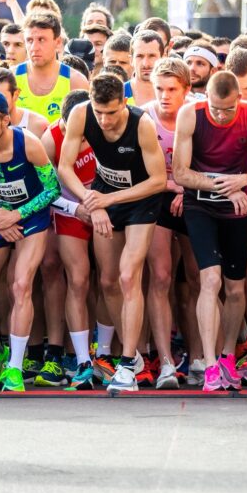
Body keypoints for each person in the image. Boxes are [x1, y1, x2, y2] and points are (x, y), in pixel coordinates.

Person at [58, 74, 167, 392]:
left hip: (140, 199)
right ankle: (134, 359)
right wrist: (93, 203)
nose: (104, 120)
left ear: (124, 103)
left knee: (128, 275)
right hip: (104, 194)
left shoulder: (142, 124)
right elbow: (65, 167)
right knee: (107, 280)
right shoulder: (81, 113)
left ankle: (127, 363)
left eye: (112, 113)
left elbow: (158, 180)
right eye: (99, 112)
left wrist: (108, 200)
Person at [172, 72, 247, 391]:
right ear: (206, 99)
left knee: (236, 287)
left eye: (227, 109)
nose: (220, 114)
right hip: (201, 204)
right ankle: (210, 362)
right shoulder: (191, 113)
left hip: (237, 208)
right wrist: (225, 187)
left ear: (239, 100)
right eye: (215, 107)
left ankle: (228, 355)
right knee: (209, 279)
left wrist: (242, 182)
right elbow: (180, 172)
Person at [0, 91, 60, 392]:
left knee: (21, 286)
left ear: (6, 120)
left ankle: (15, 366)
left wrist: (15, 215)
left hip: (29, 216)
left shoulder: (27, 143)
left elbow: (52, 189)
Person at [141, 57, 198, 389]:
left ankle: (201, 357)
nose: (164, 96)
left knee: (197, 279)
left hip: (193, 197)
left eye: (172, 90)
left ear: (186, 90)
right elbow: (140, 173)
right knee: (160, 277)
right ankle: (164, 361)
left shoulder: (198, 112)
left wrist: (186, 188)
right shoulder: (143, 116)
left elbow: (210, 164)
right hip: (158, 197)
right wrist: (171, 185)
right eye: (159, 89)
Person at [42, 90, 97, 389]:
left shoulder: (105, 124)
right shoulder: (50, 139)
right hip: (68, 210)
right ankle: (81, 361)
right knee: (78, 279)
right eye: (67, 127)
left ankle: (106, 353)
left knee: (111, 280)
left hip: (104, 206)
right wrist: (75, 208)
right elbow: (44, 192)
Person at [14, 11, 88, 124]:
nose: (34, 47)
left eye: (41, 40)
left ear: (58, 42)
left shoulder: (76, 82)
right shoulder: (11, 78)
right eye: (29, 40)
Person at [124, 29, 163, 106]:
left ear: (163, 57)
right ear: (131, 60)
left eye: (152, 56)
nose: (146, 64)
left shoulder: (176, 95)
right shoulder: (117, 94)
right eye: (140, 56)